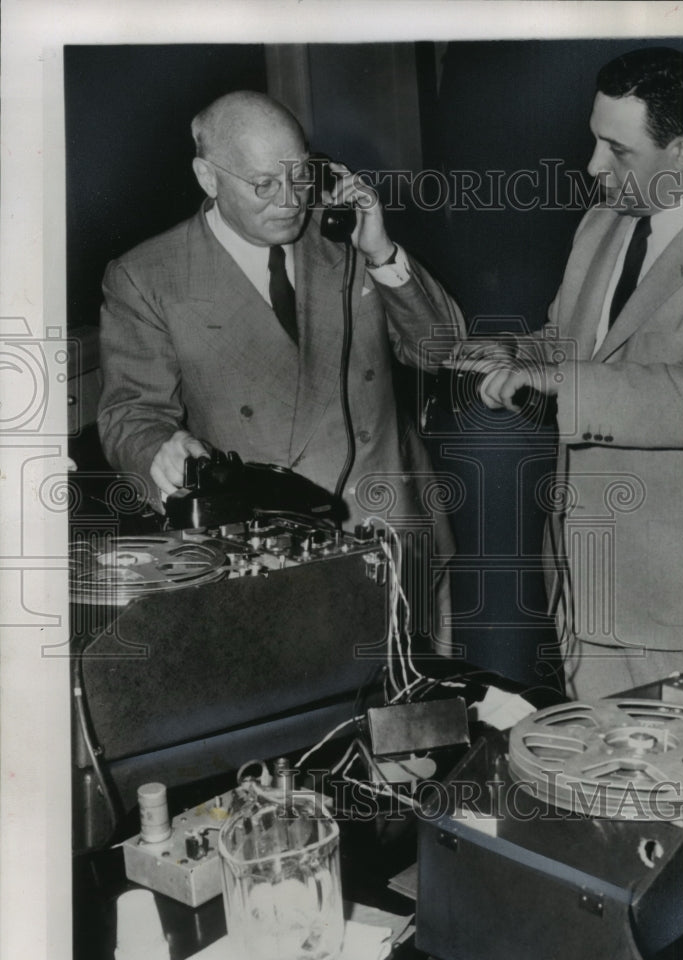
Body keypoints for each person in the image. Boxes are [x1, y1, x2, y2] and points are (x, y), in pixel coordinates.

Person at [471, 47, 683, 699]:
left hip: (681, 602)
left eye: (617, 150)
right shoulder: (607, 218)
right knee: (595, 784)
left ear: (681, 152)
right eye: (595, 140)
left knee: (676, 794)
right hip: (584, 578)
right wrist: (521, 357)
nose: (593, 166)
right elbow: (577, 343)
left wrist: (561, 385)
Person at [97, 90, 465, 649]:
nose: (291, 200)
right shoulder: (149, 277)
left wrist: (382, 252)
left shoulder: (343, 235)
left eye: (301, 175)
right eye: (263, 184)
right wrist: (159, 449)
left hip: (397, 538)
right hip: (267, 561)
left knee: (422, 718)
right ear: (208, 177)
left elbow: (442, 351)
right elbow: (131, 414)